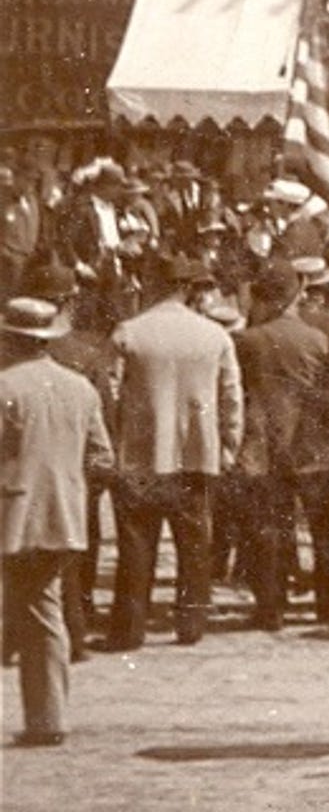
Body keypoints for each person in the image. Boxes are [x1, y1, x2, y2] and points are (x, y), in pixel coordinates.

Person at [108, 254, 243, 649]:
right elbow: (231, 398)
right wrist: (228, 447)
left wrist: (117, 444)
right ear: (188, 288)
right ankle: (190, 625)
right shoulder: (215, 336)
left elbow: (112, 395)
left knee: (135, 547)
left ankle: (129, 629)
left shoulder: (129, 333)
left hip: (140, 455)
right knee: (194, 545)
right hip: (196, 455)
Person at [0, 295, 111, 747]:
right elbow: (102, 456)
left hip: (15, 513)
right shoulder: (80, 387)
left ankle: (47, 719)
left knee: (38, 611)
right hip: (64, 512)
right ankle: (46, 715)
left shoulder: (5, 387)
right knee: (40, 609)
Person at [228, 265, 329, 631]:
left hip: (263, 443)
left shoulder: (247, 341)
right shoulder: (318, 339)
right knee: (325, 529)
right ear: (295, 294)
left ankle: (270, 607)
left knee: (269, 529)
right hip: (310, 444)